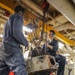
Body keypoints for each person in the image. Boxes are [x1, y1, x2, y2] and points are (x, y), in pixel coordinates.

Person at [0, 5, 28, 75]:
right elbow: (17, 33)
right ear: (21, 13)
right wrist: (26, 43)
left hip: (3, 49)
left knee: (2, 70)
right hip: (12, 47)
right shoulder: (18, 17)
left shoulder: (7, 21)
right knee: (20, 68)